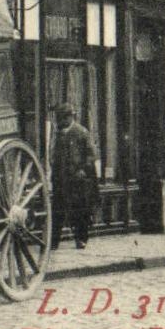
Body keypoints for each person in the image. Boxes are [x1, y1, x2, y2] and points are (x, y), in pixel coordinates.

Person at [50, 102, 99, 251]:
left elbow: (91, 154)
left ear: (70, 118)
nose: (60, 122)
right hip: (61, 179)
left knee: (79, 210)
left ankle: (81, 239)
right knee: (57, 210)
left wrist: (83, 169)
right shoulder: (59, 134)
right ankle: (53, 242)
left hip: (77, 180)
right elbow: (54, 156)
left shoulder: (81, 132)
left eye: (62, 119)